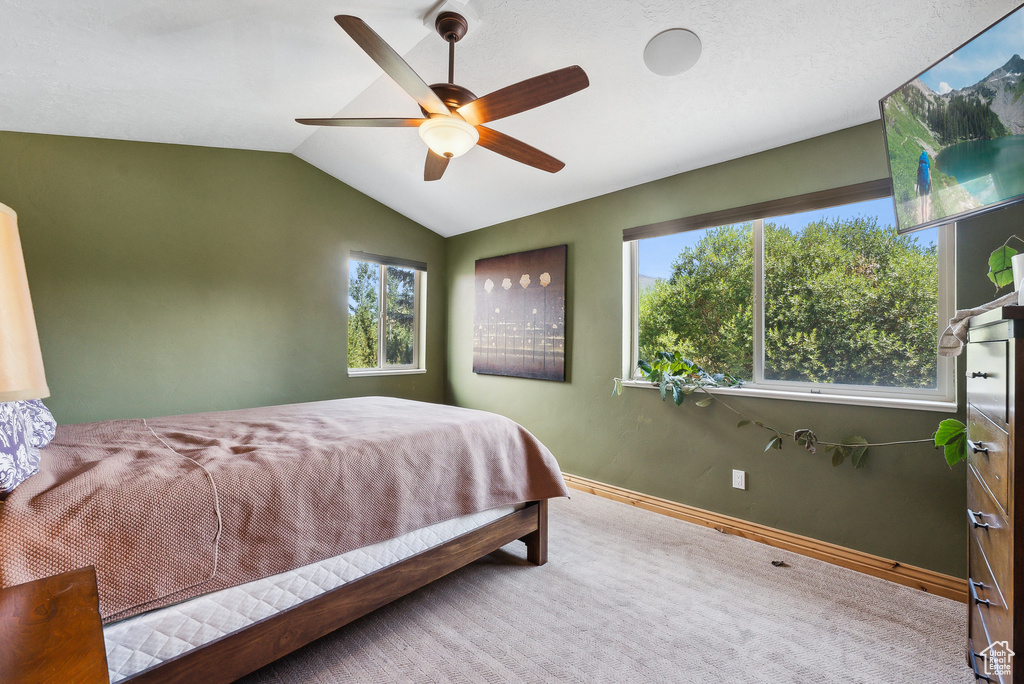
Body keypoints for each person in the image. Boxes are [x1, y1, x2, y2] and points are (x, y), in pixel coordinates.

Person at [915, 150, 931, 224]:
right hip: (927, 185)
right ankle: (927, 218)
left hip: (921, 185)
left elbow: (918, 179)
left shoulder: (919, 166)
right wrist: (932, 187)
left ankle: (922, 219)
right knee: (926, 202)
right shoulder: (928, 164)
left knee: (922, 202)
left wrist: (917, 189)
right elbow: (930, 177)